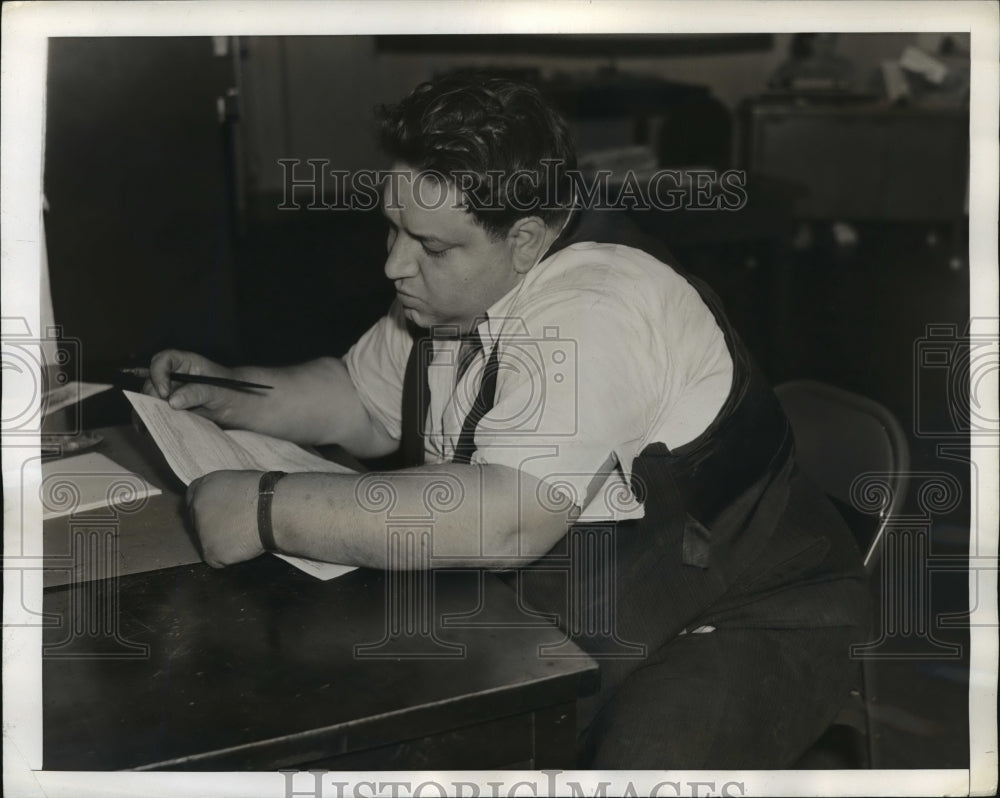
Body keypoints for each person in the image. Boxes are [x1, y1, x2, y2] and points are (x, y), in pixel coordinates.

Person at [144, 73, 868, 768]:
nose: (395, 265)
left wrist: (268, 508)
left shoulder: (598, 303)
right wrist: (232, 390)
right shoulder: (456, 287)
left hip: (751, 607)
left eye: (429, 247)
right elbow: (361, 399)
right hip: (597, 595)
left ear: (525, 239)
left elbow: (509, 516)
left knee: (631, 769)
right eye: (392, 229)